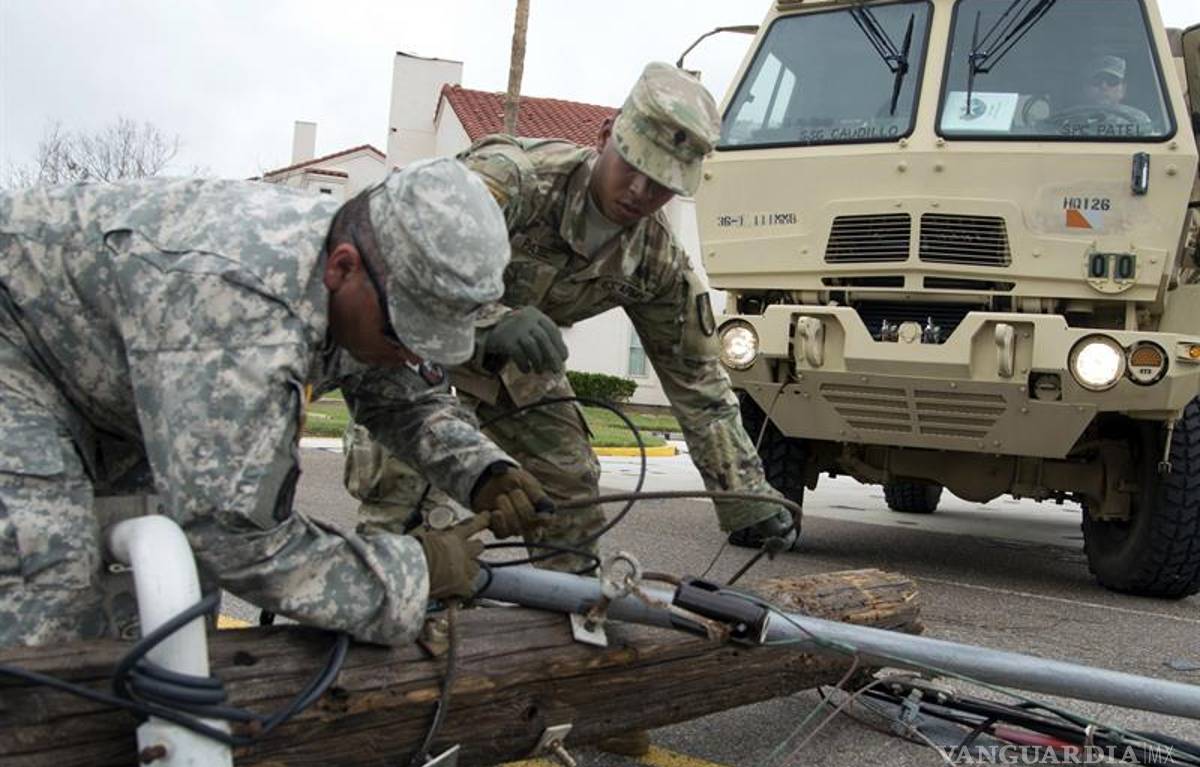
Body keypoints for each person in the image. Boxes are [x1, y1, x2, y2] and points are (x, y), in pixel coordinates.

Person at [0, 157, 550, 649]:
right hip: (15, 341)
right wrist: (416, 571)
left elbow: (399, 394)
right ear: (341, 267)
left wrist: (484, 471)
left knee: (167, 599)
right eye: (402, 334)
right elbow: (237, 539)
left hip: (105, 372)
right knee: (43, 569)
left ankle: (130, 749)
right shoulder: (242, 308)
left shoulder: (367, 277)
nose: (410, 355)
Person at [344, 62, 795, 576]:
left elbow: (700, 386)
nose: (640, 194)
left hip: (512, 375)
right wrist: (488, 320)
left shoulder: (656, 259)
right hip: (415, 350)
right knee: (403, 493)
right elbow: (399, 264)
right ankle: (381, 605)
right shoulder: (514, 180)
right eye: (634, 167)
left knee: (569, 491)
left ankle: (556, 630)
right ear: (606, 135)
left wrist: (748, 497)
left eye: (662, 185)